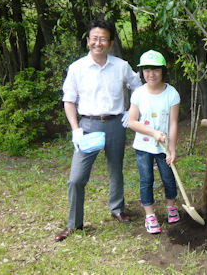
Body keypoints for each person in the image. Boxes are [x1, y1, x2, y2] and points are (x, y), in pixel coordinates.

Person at [55, 19, 142, 242]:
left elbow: (138, 88)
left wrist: (130, 112)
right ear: (88, 41)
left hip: (115, 123)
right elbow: (69, 100)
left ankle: (117, 208)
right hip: (88, 126)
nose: (98, 43)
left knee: (116, 169)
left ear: (110, 42)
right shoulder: (77, 68)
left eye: (103, 39)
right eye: (94, 38)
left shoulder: (121, 66)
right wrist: (75, 129)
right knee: (76, 178)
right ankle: (74, 224)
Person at [128, 50, 181, 234]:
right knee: (146, 179)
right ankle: (150, 215)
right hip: (143, 147)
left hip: (164, 147)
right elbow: (132, 122)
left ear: (163, 70)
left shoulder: (171, 93)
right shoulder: (138, 94)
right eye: (147, 70)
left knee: (168, 177)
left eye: (156, 70)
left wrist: (172, 149)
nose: (151, 74)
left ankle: (171, 207)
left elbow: (173, 123)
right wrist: (153, 133)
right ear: (142, 72)